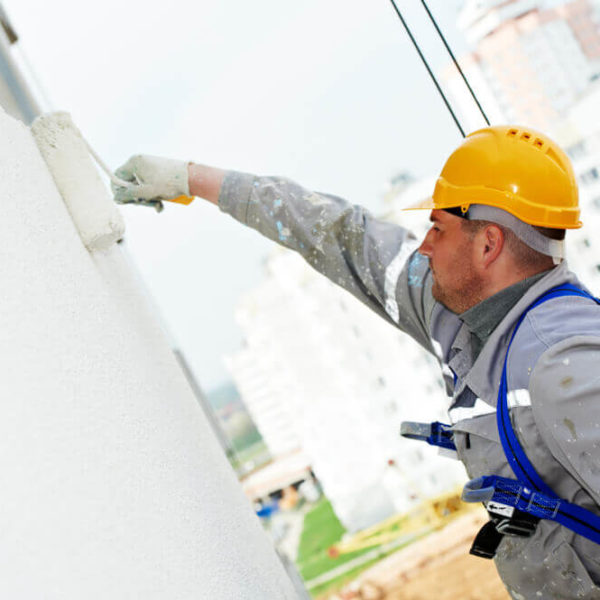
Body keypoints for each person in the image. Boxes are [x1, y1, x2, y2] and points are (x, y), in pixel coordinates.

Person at [112, 125, 600, 599]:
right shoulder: (457, 314)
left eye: (437, 227)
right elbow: (342, 236)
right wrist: (192, 179)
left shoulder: (563, 363)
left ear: (488, 243)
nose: (425, 246)